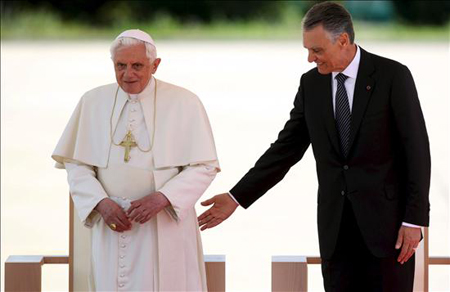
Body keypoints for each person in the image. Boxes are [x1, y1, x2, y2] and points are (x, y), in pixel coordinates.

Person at [198, 2, 430, 291]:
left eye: (317, 50)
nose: (310, 58)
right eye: (307, 49)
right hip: (336, 234)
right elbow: (285, 149)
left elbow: (417, 151)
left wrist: (415, 220)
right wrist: (236, 197)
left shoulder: (392, 76)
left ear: (343, 40)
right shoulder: (312, 85)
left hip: (389, 231)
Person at [52, 29, 220, 291]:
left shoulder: (184, 102)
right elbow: (77, 163)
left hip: (163, 225)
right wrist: (100, 203)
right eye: (121, 65)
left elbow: (204, 165)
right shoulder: (93, 101)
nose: (128, 74)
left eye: (137, 66)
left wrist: (163, 197)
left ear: (155, 65)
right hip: (112, 223)